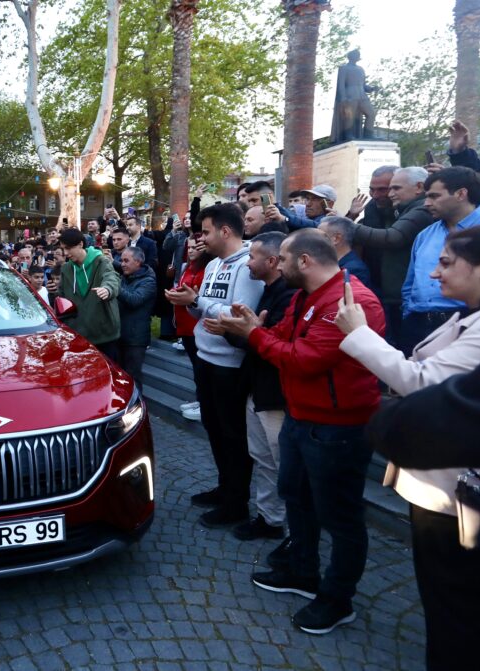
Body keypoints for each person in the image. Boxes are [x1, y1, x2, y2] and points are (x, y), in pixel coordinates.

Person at [216, 229, 385, 635]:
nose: (279, 265)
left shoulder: (350, 302)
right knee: (296, 496)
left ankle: (337, 599)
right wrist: (252, 327)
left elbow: (303, 359)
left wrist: (252, 334)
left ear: (304, 261)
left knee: (341, 517)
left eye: (285, 259)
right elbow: (283, 336)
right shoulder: (306, 295)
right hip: (302, 416)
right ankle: (303, 572)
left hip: (338, 426)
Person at [335, 226, 480, 668]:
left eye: (446, 262)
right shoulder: (466, 317)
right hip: (442, 487)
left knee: (454, 609)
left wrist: (360, 334)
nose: (435, 274)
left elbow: (423, 382)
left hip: (455, 495)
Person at [165, 204, 264, 527]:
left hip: (230, 364)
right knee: (215, 428)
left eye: (206, 232)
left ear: (225, 230)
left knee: (232, 434)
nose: (201, 238)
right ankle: (225, 488)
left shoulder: (247, 266)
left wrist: (197, 301)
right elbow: (206, 310)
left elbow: (239, 314)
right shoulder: (212, 265)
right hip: (205, 356)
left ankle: (237, 502)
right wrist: (189, 301)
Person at [206, 231, 295, 543]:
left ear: (272, 261)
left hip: (274, 393)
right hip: (258, 387)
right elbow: (256, 337)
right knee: (263, 457)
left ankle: (292, 532)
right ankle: (269, 519)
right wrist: (238, 331)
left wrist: (242, 331)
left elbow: (273, 344)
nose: (247, 262)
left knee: (280, 462)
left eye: (253, 256)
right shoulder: (271, 291)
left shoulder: (287, 295)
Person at [352, 166, 434, 348]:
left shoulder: (421, 210)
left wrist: (345, 225)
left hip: (408, 298)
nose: (386, 194)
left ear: (419, 187)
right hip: (391, 293)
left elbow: (392, 237)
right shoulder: (382, 209)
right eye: (372, 190)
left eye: (393, 188)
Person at [402, 167, 480, 355]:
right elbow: (410, 283)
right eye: (426, 196)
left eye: (434, 196)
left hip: (468, 322)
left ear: (461, 194)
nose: (426, 203)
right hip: (418, 324)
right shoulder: (425, 235)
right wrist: (408, 313)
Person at [51, 227, 121, 360]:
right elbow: (61, 298)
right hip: (78, 336)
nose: (65, 253)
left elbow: (112, 278)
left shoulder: (101, 261)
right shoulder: (66, 268)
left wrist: (107, 289)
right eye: (63, 249)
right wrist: (52, 293)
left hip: (104, 336)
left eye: (68, 248)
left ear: (80, 244)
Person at [174, 236, 212, 420]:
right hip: (184, 323)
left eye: (195, 247)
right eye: (188, 248)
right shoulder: (187, 267)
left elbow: (199, 295)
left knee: (201, 368)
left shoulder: (207, 268)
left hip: (195, 324)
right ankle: (200, 400)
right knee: (196, 368)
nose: (190, 251)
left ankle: (205, 404)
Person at [116, 247, 156, 392]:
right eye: (121, 260)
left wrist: (114, 287)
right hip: (121, 335)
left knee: (133, 378)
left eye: (126, 261)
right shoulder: (126, 277)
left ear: (138, 262)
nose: (122, 264)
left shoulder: (148, 281)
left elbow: (134, 300)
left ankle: (137, 404)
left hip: (135, 339)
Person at [317, 216, 373, 292]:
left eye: (319, 236)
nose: (314, 240)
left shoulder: (354, 270)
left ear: (336, 238)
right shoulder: (328, 263)